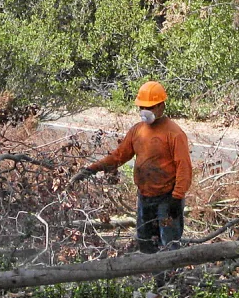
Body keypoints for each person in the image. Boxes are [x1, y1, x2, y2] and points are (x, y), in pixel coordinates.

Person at [72, 82, 192, 252]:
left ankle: (168, 278)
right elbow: (119, 156)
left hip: (167, 202)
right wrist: (92, 169)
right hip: (145, 200)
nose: (145, 110)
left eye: (150, 107)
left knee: (168, 243)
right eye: (142, 106)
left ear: (161, 106)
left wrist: (177, 198)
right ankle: (152, 277)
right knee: (146, 242)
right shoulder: (137, 131)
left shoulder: (174, 134)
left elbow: (184, 168)